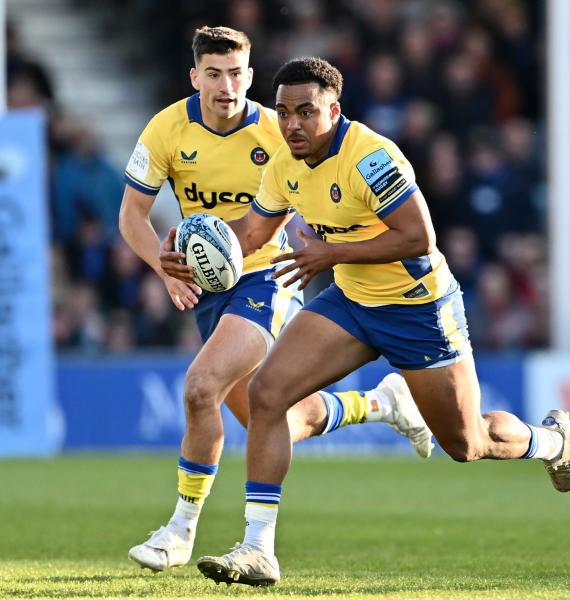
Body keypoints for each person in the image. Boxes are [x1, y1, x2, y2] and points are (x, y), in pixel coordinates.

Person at [158, 57, 570, 587]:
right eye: (285, 113)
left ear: (334, 110)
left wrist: (330, 254)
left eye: (306, 112)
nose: (292, 125)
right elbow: (251, 234)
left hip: (417, 308)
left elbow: (418, 238)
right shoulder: (284, 163)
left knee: (465, 443)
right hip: (352, 302)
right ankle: (258, 548)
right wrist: (195, 245)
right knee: (267, 394)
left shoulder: (371, 156)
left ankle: (551, 442)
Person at [119, 27, 434, 574]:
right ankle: (382, 404)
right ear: (195, 77)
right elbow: (132, 217)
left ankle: (180, 529)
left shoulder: (279, 128)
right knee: (282, 421)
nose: (227, 85)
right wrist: (164, 269)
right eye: (214, 74)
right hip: (211, 282)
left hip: (269, 275)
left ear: (250, 73)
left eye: (238, 72)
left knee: (200, 388)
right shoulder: (166, 130)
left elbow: (310, 193)